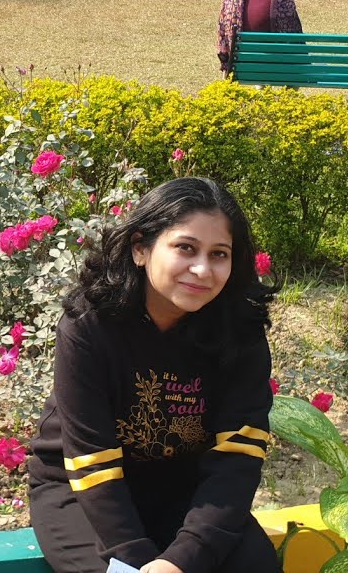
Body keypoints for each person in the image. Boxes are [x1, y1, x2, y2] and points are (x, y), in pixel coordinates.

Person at [27, 177, 280, 573]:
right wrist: (137, 559)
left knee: (256, 565)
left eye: (219, 254)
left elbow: (237, 459)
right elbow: (91, 461)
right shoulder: (89, 326)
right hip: (83, 492)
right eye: (185, 248)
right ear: (140, 247)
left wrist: (183, 560)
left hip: (186, 489)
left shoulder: (240, 334)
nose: (202, 269)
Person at [216, 0, 303, 76]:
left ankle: (260, 89)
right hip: (273, 68)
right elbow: (296, 45)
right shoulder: (284, 1)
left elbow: (222, 31)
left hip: (237, 65)